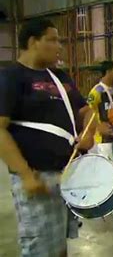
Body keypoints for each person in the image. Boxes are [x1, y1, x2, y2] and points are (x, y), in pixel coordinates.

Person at [0, 19, 96, 257]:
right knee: (40, 249)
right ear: (33, 42)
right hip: (37, 177)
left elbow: (87, 111)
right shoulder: (12, 77)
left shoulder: (59, 77)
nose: (59, 46)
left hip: (66, 174)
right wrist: (24, 174)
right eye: (52, 40)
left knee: (59, 244)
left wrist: (89, 133)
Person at [87, 61, 113, 157]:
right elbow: (88, 113)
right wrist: (98, 127)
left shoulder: (112, 91)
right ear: (108, 71)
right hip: (101, 141)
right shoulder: (96, 91)